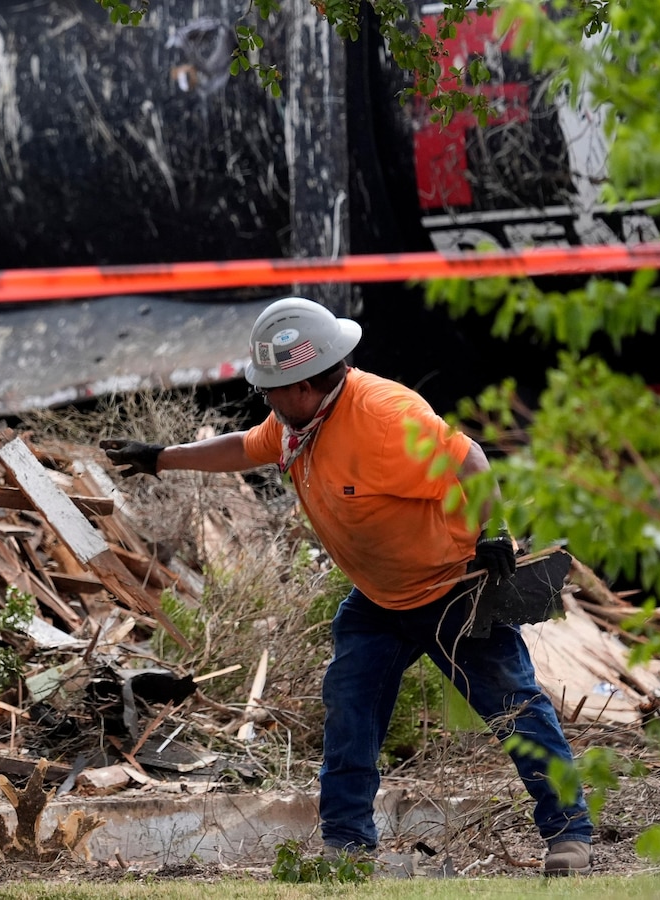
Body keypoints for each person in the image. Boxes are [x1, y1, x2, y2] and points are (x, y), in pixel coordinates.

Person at [100, 297, 594, 876]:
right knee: (349, 709)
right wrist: (161, 458)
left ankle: (569, 835)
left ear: (305, 384)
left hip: (452, 588)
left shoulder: (386, 418)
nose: (265, 399)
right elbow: (243, 447)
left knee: (515, 708)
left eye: (270, 389)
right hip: (380, 601)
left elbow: (470, 456)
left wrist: (495, 531)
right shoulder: (298, 424)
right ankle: (348, 845)